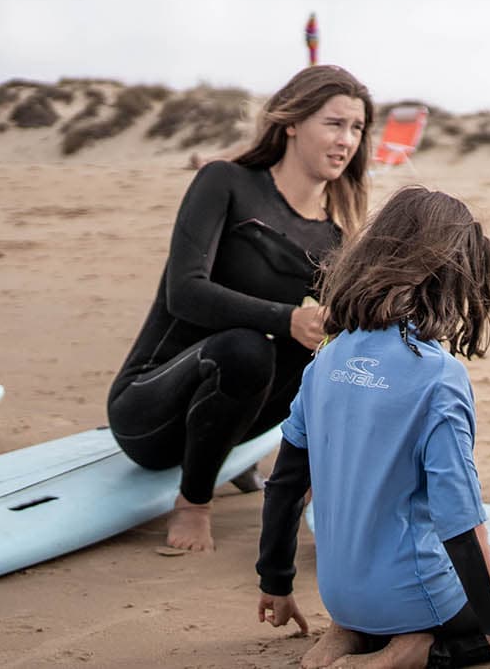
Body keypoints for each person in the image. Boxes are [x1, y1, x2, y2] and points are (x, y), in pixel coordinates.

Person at [255, 187, 490, 669]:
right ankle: (416, 649)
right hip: (412, 596)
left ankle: (350, 634)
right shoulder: (437, 375)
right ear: (451, 277)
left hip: (338, 595)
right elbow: (459, 523)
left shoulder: (327, 357)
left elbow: (284, 485)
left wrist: (275, 583)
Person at [107, 65, 370, 552]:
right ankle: (193, 503)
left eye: (356, 128)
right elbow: (184, 293)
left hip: (234, 419)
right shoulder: (225, 182)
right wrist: (286, 319)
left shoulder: (332, 237)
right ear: (292, 123)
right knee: (248, 349)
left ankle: (311, 486)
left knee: (335, 351)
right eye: (333, 124)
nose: (346, 140)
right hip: (149, 409)